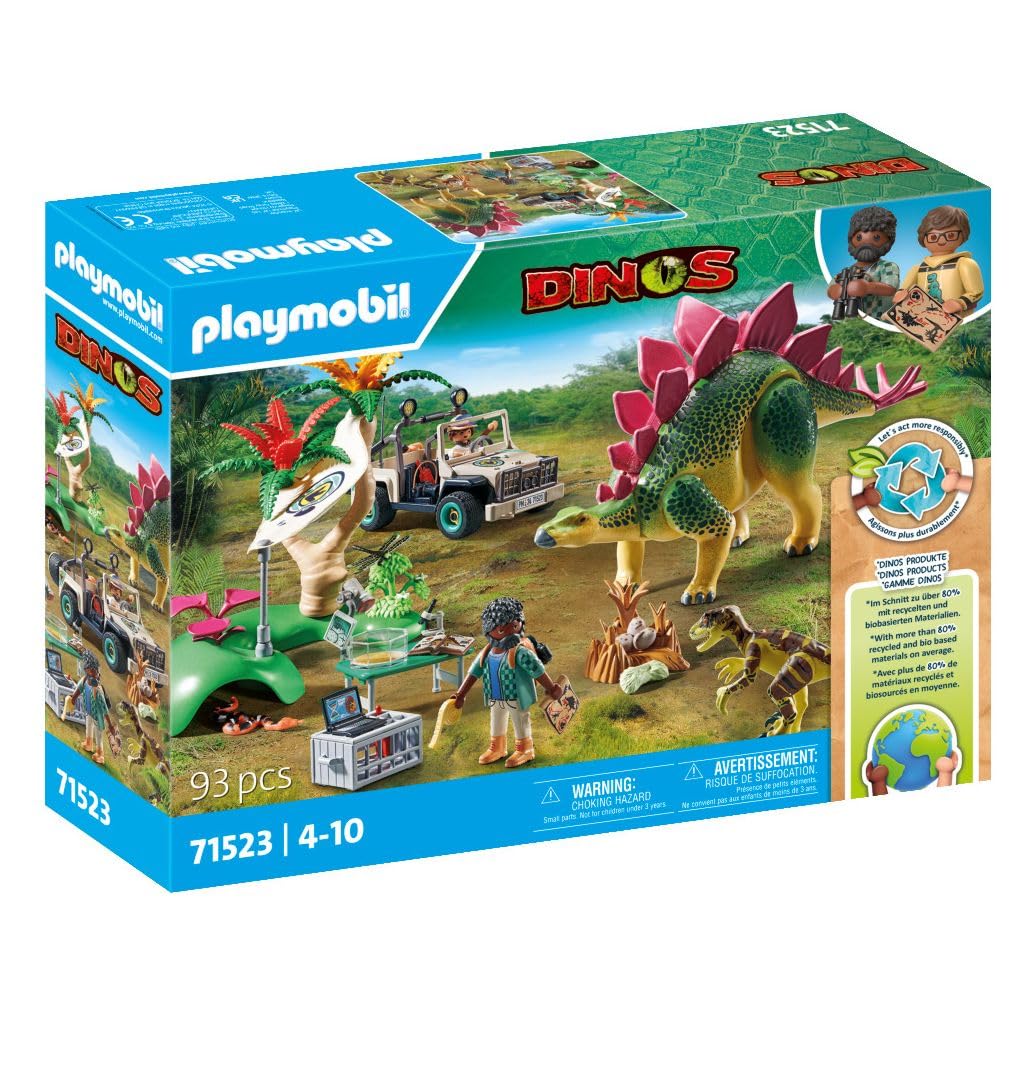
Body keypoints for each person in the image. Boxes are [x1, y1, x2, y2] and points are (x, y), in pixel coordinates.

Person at [451, 597, 563, 768]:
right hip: (495, 697)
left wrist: (552, 687)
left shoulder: (520, 653)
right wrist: (460, 695)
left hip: (516, 696)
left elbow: (537, 670)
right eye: (502, 630)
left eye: (515, 626)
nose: (511, 633)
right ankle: (497, 747)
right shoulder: (486, 653)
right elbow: (473, 673)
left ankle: (525, 749)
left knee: (520, 720)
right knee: (496, 721)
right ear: (490, 630)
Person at [893, 205, 984, 317]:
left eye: (950, 235)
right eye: (933, 237)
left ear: (963, 235)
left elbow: (976, 291)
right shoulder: (918, 268)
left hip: (957, 318)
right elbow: (904, 289)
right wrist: (900, 294)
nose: (941, 241)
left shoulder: (964, 264)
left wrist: (960, 303)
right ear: (924, 238)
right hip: (924, 318)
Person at [826, 205, 899, 319]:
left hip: (880, 317)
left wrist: (868, 287)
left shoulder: (887, 266)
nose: (866, 243)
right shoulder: (846, 272)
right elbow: (831, 288)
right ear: (851, 240)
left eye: (876, 237)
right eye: (859, 237)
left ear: (888, 241)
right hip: (855, 320)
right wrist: (837, 291)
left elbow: (891, 289)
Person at [65, 651, 111, 765]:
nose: (94, 673)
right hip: (89, 711)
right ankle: (88, 743)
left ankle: (100, 754)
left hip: (98, 716)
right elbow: (79, 689)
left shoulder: (98, 690)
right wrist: (73, 698)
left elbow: (104, 708)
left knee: (98, 735)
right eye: (90, 670)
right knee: (88, 727)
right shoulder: (85, 680)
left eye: (95, 671)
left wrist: (110, 724)